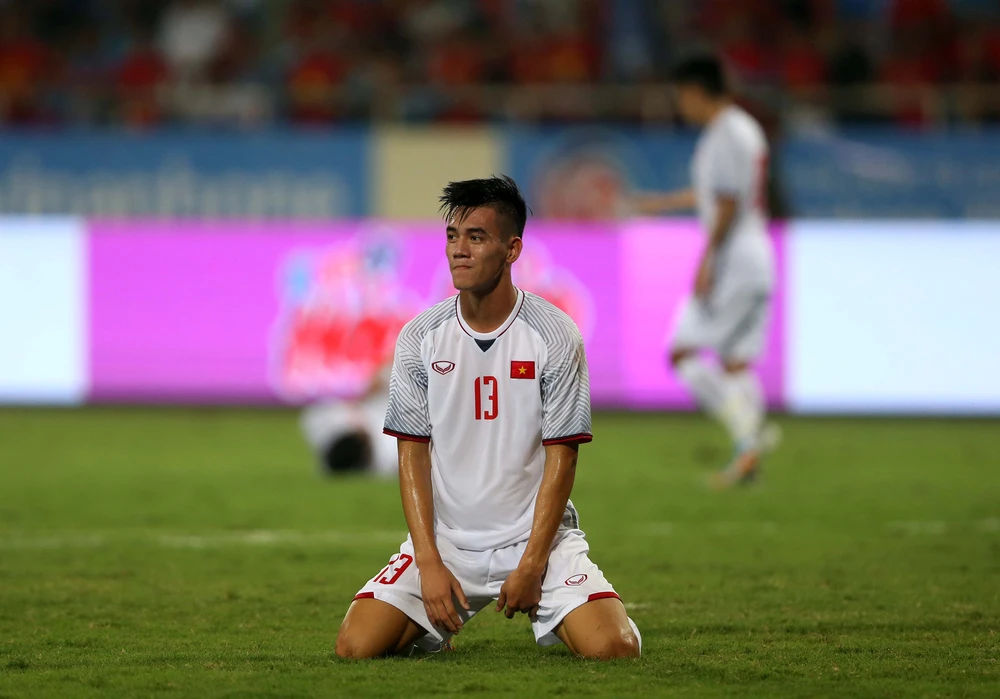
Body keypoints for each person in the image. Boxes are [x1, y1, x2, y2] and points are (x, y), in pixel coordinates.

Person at [335, 176, 641, 660]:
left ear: (512, 249)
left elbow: (563, 457)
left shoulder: (555, 335)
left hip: (537, 541)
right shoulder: (419, 336)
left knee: (615, 648)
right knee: (355, 646)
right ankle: (431, 630)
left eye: (476, 237)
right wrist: (428, 562)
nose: (459, 250)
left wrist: (533, 563)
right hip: (447, 544)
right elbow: (411, 453)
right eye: (453, 237)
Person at [633, 54, 779, 487]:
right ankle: (749, 445)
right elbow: (716, 193)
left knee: (682, 353)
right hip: (756, 256)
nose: (681, 107)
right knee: (735, 363)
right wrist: (662, 203)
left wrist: (707, 260)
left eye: (681, 97)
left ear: (696, 92)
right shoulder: (743, 129)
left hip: (734, 261)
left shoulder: (725, 135)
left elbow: (728, 203)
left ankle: (749, 439)